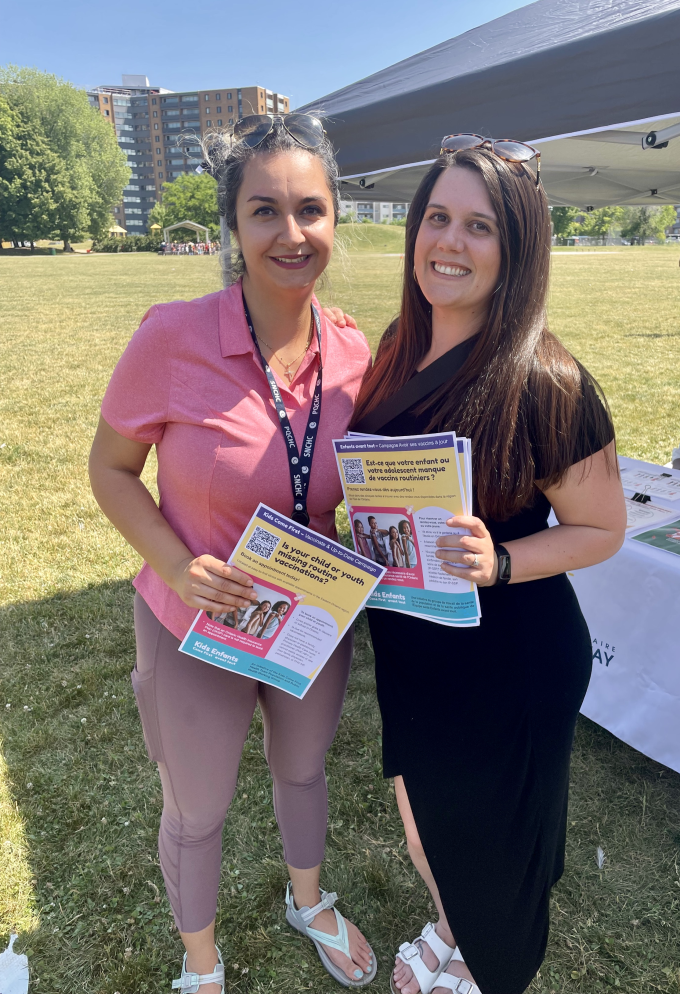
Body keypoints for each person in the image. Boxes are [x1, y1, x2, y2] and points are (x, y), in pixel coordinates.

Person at [89, 113, 377, 994]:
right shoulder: (172, 337)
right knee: (200, 805)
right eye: (265, 211)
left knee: (302, 769)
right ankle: (202, 963)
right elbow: (110, 469)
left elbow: (360, 486)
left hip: (308, 619)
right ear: (234, 226)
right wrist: (178, 567)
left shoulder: (357, 349)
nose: (291, 234)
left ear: (335, 219)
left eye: (311, 210)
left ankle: (307, 900)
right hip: (196, 621)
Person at [350, 138, 626, 994]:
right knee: (422, 815)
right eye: (437, 217)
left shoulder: (547, 378)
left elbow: (602, 530)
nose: (449, 243)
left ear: (517, 248)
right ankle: (451, 923)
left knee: (492, 837)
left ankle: (490, 962)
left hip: (508, 660)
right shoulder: (399, 344)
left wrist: (498, 559)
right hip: (413, 646)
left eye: (480, 226)